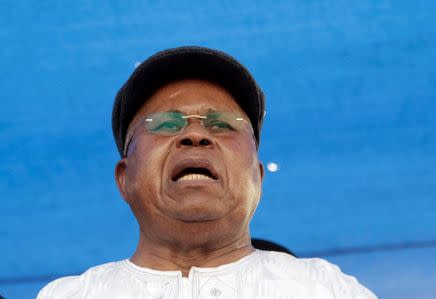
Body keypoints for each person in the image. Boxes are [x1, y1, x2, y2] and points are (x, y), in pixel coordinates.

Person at [37, 46, 377, 298]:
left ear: (257, 176)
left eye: (224, 124)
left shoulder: (324, 289)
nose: (195, 134)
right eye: (166, 124)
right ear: (125, 178)